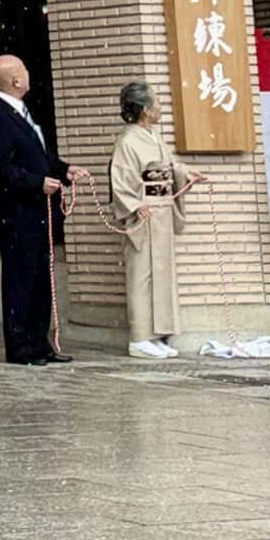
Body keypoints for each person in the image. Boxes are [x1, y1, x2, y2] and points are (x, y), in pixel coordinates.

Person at [0, 54, 71, 365]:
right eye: (23, 69)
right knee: (21, 279)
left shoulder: (21, 112)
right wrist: (36, 183)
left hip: (37, 212)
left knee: (40, 279)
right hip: (17, 214)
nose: (28, 74)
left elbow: (38, 156)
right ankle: (20, 346)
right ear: (15, 80)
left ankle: (39, 343)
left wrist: (64, 170)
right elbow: (1, 168)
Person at [108, 81, 204, 359]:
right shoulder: (127, 141)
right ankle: (139, 336)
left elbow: (168, 167)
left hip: (160, 210)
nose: (160, 107)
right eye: (157, 102)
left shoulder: (153, 135)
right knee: (142, 275)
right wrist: (136, 205)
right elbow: (122, 180)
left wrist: (185, 174)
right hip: (145, 211)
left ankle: (157, 334)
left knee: (161, 273)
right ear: (146, 109)